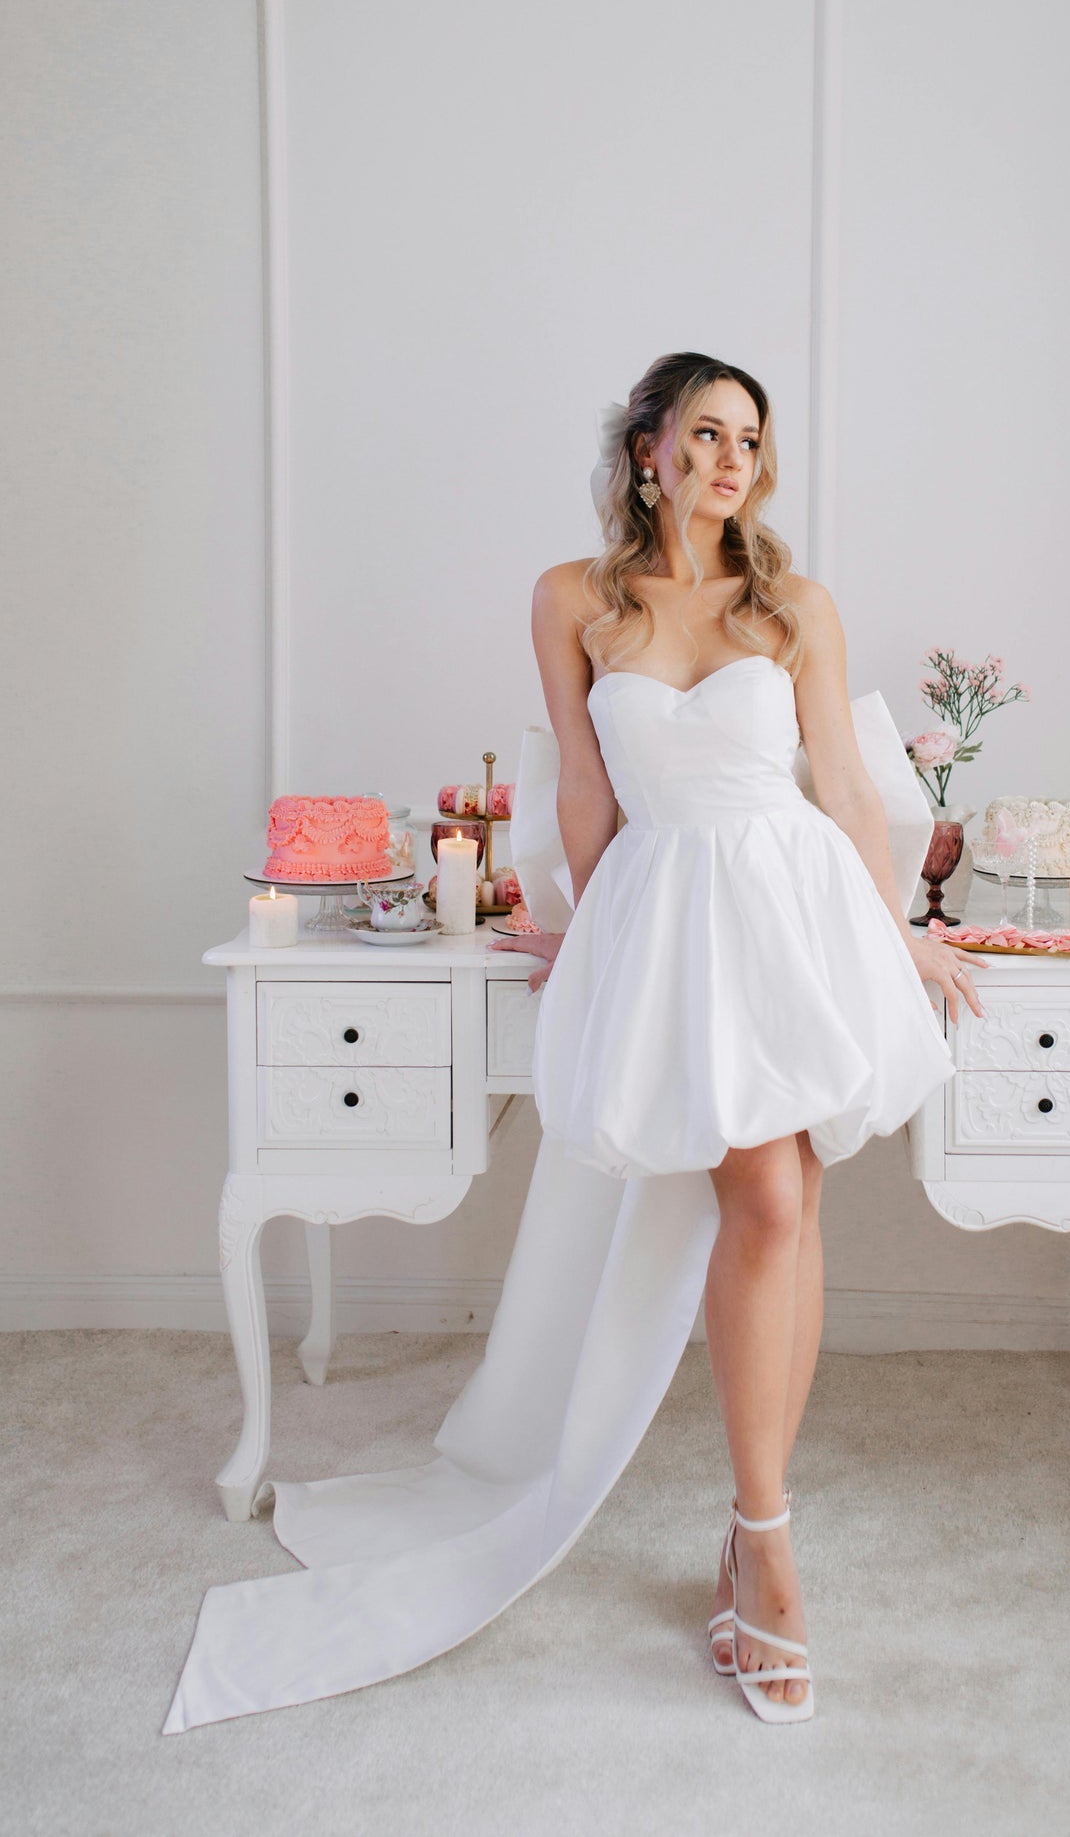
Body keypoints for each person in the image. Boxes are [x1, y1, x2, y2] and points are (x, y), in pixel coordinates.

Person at [163, 351, 979, 1735]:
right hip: (668, 915)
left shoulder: (791, 603)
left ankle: (758, 1529)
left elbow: (839, 785)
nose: (732, 459)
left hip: (791, 907)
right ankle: (761, 1533)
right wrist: (590, 936)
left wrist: (894, 930)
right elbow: (587, 787)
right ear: (648, 445)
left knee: (786, 1201)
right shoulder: (573, 599)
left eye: (750, 440)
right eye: (706, 431)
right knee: (771, 1199)